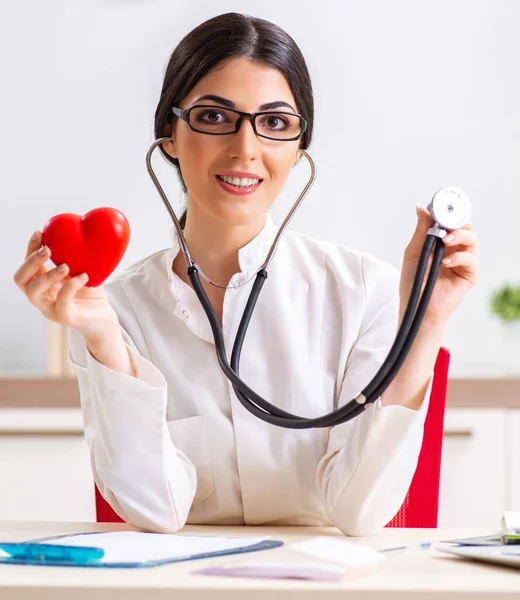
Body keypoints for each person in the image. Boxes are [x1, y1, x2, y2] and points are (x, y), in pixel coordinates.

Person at [13, 12, 478, 536]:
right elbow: (152, 510)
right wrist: (103, 338)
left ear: (300, 147)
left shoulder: (364, 291)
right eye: (214, 117)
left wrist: (427, 319)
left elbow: (360, 512)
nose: (245, 148)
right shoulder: (114, 309)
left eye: (275, 123)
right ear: (169, 133)